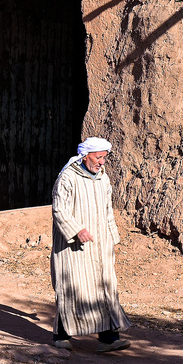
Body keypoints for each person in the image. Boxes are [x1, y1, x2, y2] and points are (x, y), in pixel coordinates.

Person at [50, 136, 132, 352]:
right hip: (74, 246)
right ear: (85, 156)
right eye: (98, 157)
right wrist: (77, 230)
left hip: (100, 244)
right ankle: (61, 335)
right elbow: (59, 209)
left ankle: (109, 337)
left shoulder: (103, 179)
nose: (102, 162)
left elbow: (107, 211)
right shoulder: (68, 177)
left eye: (104, 158)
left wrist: (112, 237)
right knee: (73, 288)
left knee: (105, 288)